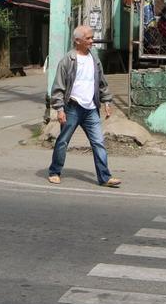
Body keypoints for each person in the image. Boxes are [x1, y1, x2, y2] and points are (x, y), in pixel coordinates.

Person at [47, 25, 122, 187]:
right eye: (88, 38)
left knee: (98, 142)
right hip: (72, 108)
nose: (91, 41)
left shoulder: (94, 59)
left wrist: (107, 101)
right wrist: (59, 109)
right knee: (63, 141)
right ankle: (54, 171)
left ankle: (104, 177)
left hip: (91, 109)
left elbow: (102, 83)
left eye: (91, 37)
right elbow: (58, 87)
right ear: (77, 41)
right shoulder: (68, 60)